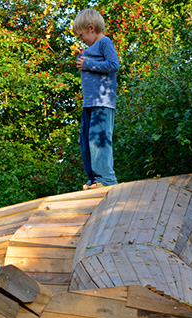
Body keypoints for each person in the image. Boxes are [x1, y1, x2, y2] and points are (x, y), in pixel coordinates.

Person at [73, 8, 120, 189]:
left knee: (99, 139)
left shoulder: (104, 43)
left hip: (102, 101)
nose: (81, 39)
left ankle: (106, 179)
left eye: (82, 34)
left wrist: (88, 64)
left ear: (91, 28)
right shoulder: (90, 49)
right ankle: (93, 179)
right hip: (89, 103)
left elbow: (113, 64)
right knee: (86, 141)